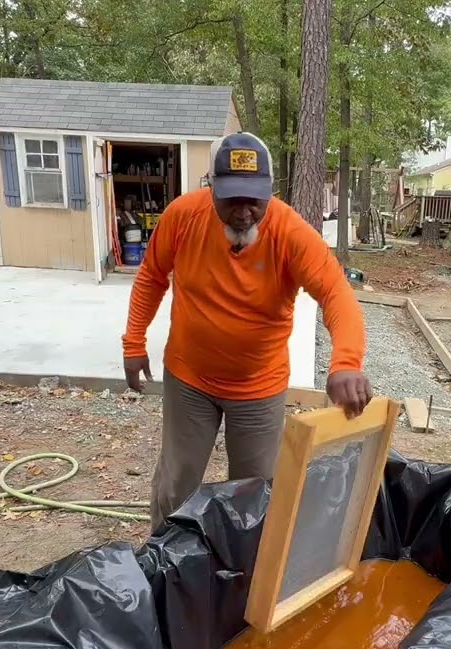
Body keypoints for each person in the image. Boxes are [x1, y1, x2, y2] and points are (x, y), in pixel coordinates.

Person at [121, 132, 372, 529]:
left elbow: (336, 294)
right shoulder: (183, 217)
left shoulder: (290, 234)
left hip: (259, 387)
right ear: (211, 188)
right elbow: (152, 276)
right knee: (176, 485)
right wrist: (134, 342)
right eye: (231, 199)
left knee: (254, 495)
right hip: (190, 379)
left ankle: (240, 575)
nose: (243, 212)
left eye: (254, 199)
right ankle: (163, 568)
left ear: (270, 191)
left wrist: (345, 362)